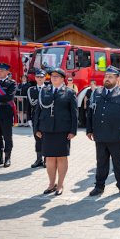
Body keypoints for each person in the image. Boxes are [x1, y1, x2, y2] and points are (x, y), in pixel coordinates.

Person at [87, 67, 120, 197]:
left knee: (119, 163)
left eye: (111, 76)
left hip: (117, 135)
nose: (107, 78)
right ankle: (99, 186)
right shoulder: (97, 92)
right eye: (106, 76)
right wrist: (89, 130)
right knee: (101, 162)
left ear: (117, 78)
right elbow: (91, 111)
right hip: (100, 134)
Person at [33, 68, 78, 196]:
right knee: (50, 159)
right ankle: (51, 184)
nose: (54, 78)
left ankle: (60, 184)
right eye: (52, 76)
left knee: (62, 158)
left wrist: (73, 130)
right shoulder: (44, 91)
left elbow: (74, 113)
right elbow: (38, 111)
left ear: (63, 78)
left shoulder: (69, 92)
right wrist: (36, 128)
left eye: (57, 76)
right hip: (47, 129)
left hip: (63, 130)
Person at [27, 69, 47, 168]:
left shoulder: (48, 89)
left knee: (46, 139)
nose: (39, 79)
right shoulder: (31, 90)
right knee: (37, 139)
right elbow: (28, 106)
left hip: (46, 119)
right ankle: (39, 159)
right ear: (35, 78)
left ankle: (46, 160)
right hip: (35, 118)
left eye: (41, 77)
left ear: (45, 78)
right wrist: (29, 119)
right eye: (38, 77)